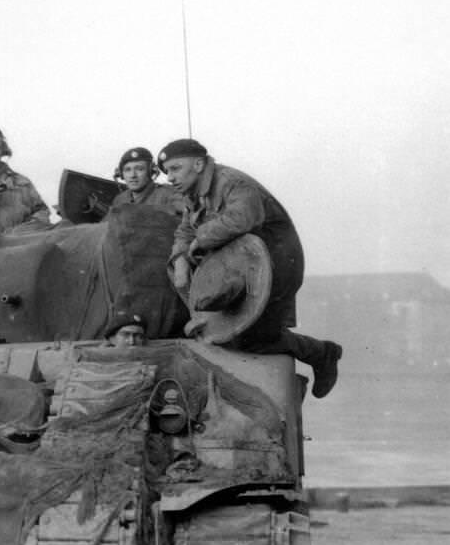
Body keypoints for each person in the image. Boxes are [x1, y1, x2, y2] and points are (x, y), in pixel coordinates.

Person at [159, 138, 342, 398]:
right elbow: (185, 230)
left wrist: (202, 238)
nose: (170, 177)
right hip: (238, 266)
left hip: (276, 261)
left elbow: (243, 217)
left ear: (198, 164)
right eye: (167, 171)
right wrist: (179, 259)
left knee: (250, 340)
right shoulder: (195, 195)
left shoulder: (233, 183)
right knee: (230, 337)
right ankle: (317, 352)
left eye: (176, 168)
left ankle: (322, 353)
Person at [111, 147, 185, 216]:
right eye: (127, 170)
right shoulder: (120, 199)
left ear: (151, 171)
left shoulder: (168, 194)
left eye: (139, 169)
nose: (133, 175)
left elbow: (188, 212)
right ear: (121, 174)